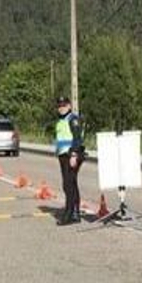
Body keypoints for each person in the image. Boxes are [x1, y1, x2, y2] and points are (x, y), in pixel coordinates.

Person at [52, 96, 85, 225]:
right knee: (71, 183)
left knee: (68, 184)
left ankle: (69, 214)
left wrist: (74, 154)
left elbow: (77, 138)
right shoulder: (61, 121)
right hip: (63, 155)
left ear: (69, 106)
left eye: (64, 105)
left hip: (71, 154)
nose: (61, 108)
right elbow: (61, 138)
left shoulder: (73, 119)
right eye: (59, 106)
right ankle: (75, 213)